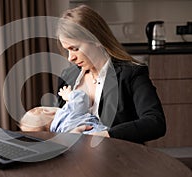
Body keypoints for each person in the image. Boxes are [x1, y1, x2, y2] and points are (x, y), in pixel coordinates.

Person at [55, 5, 166, 144]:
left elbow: (155, 122)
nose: (70, 58)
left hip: (119, 157)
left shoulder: (131, 74)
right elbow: (58, 121)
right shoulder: (68, 77)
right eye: (67, 50)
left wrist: (103, 136)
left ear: (96, 39)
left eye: (75, 49)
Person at [19, 85, 108, 134]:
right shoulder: (66, 113)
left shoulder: (60, 134)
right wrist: (69, 95)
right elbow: (81, 98)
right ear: (48, 111)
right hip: (100, 134)